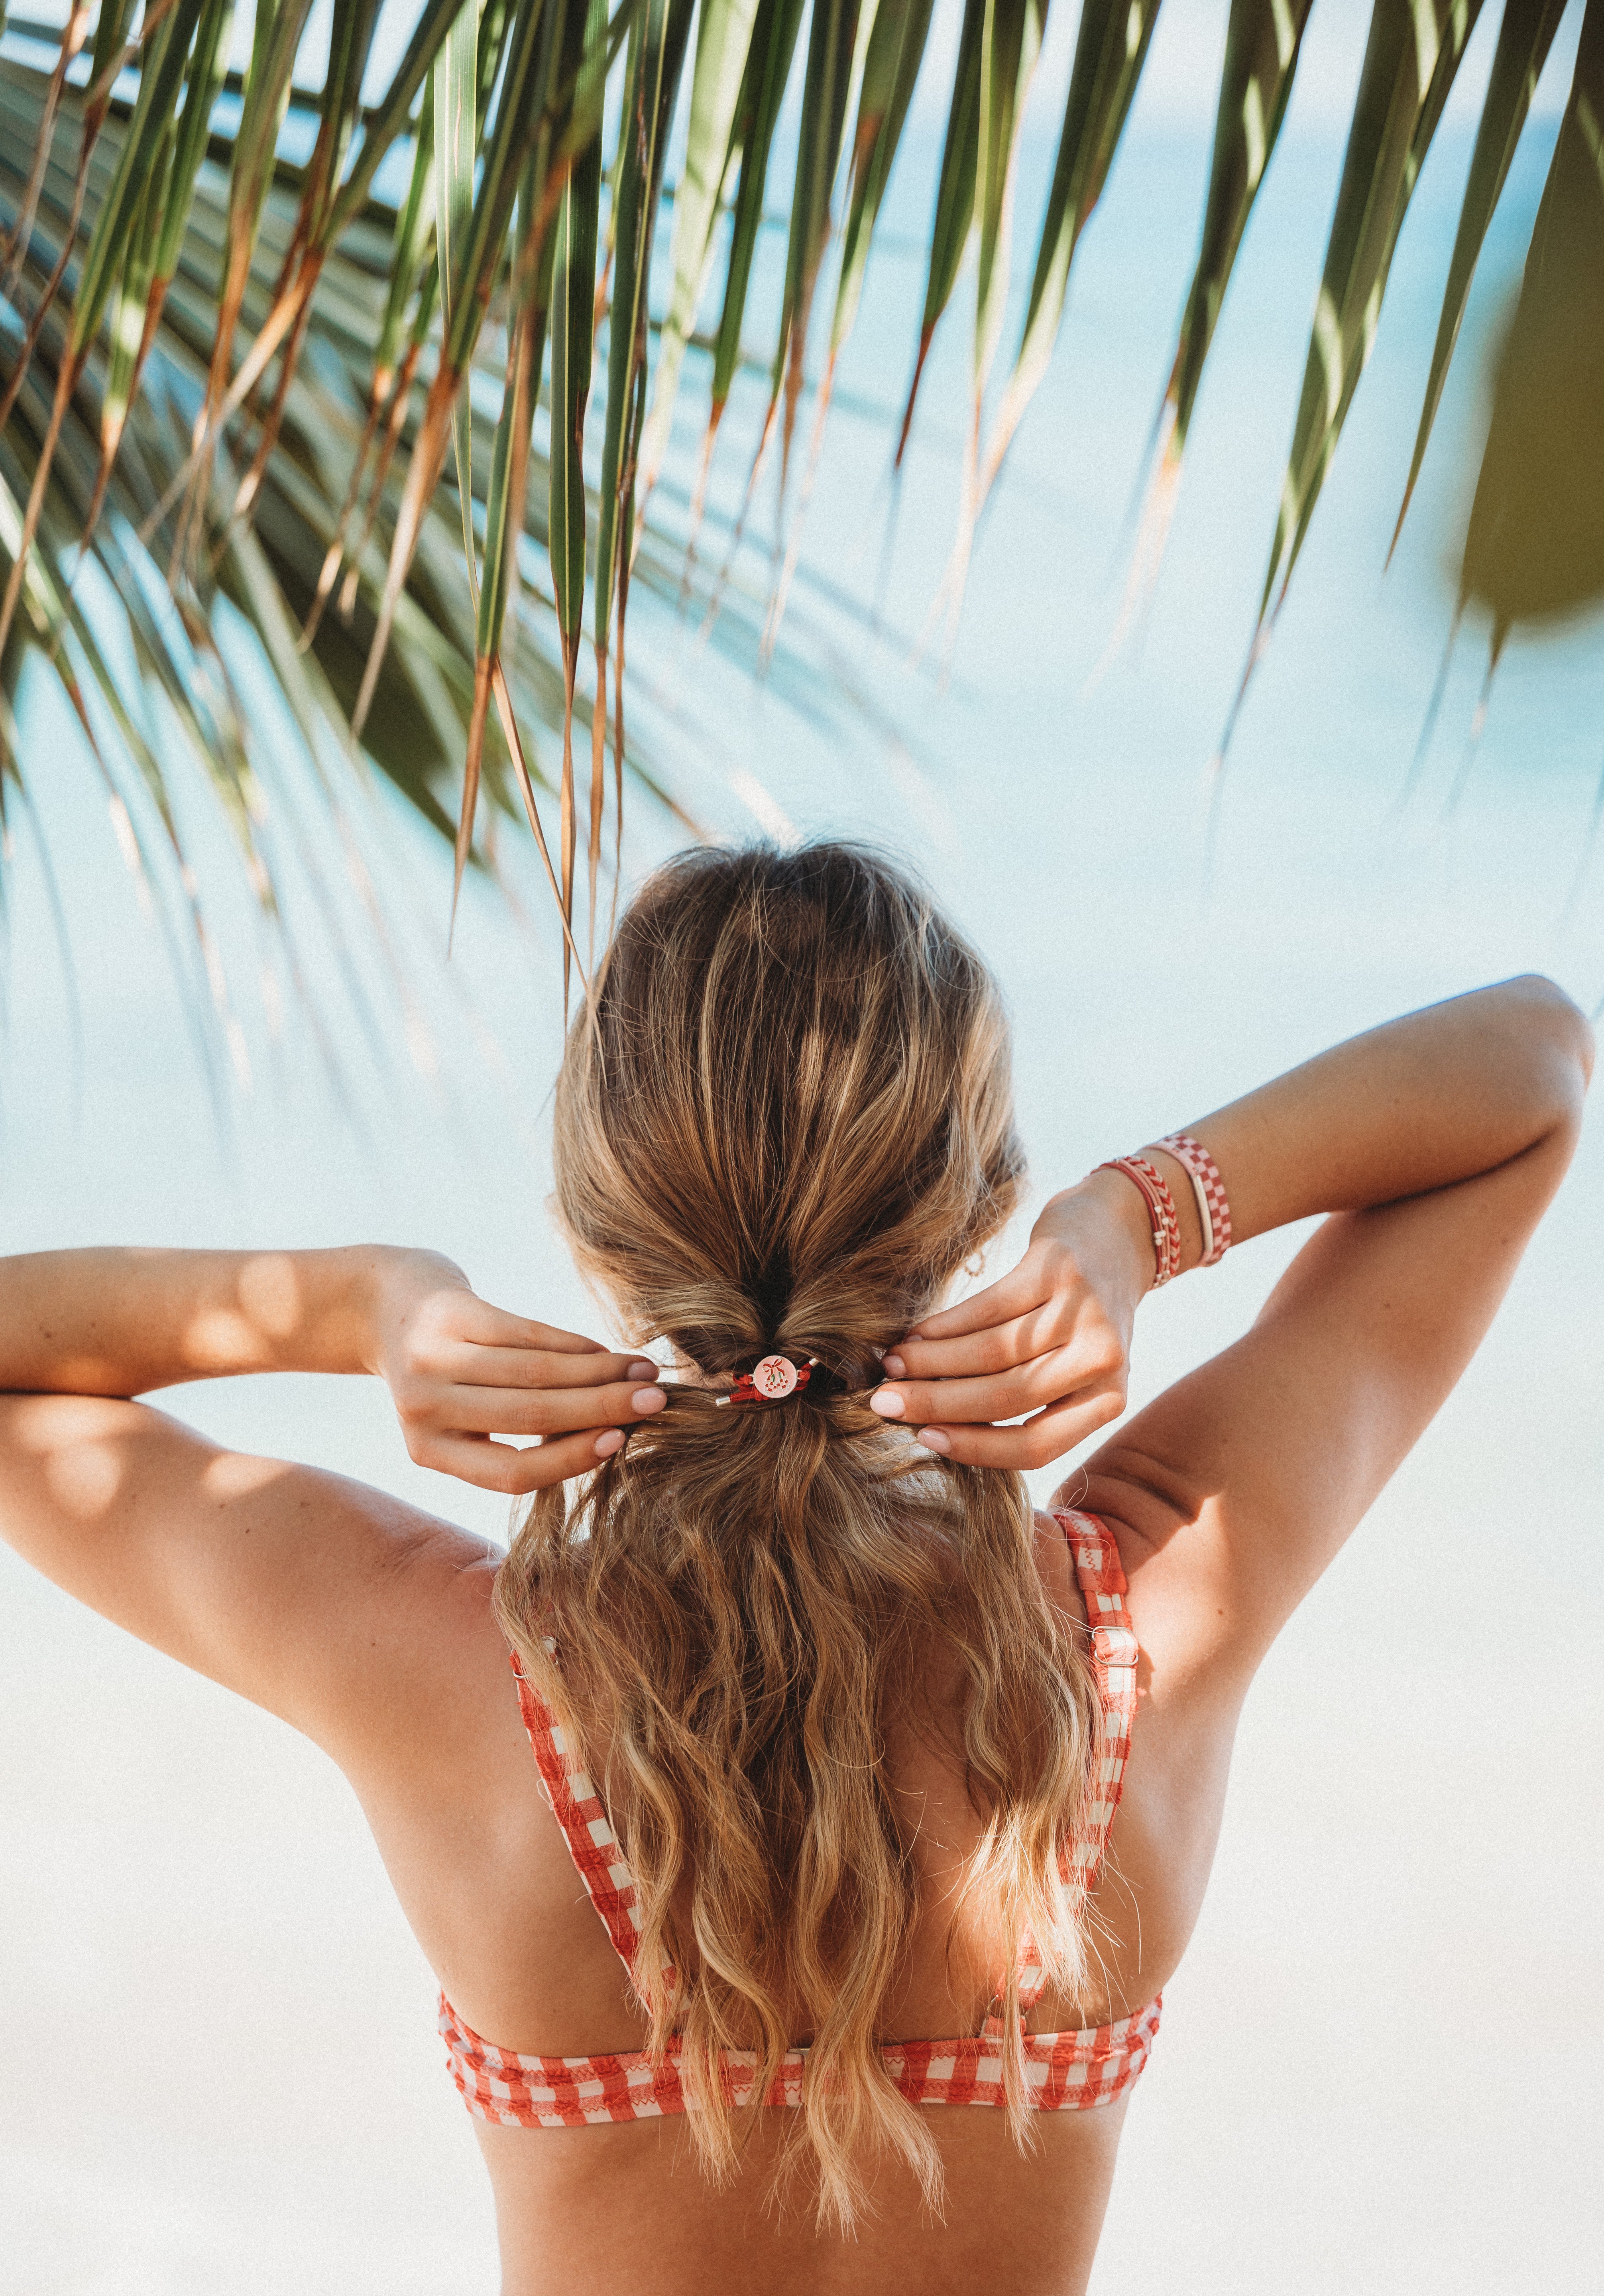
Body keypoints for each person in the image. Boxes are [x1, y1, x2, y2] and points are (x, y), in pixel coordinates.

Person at [0, 843, 1591, 2296]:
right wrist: (1134, 1221)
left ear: (590, 1212)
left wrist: (361, 1308)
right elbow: (1531, 1064)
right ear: (973, 1205)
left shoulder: (457, 1675)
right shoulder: (1134, 1636)